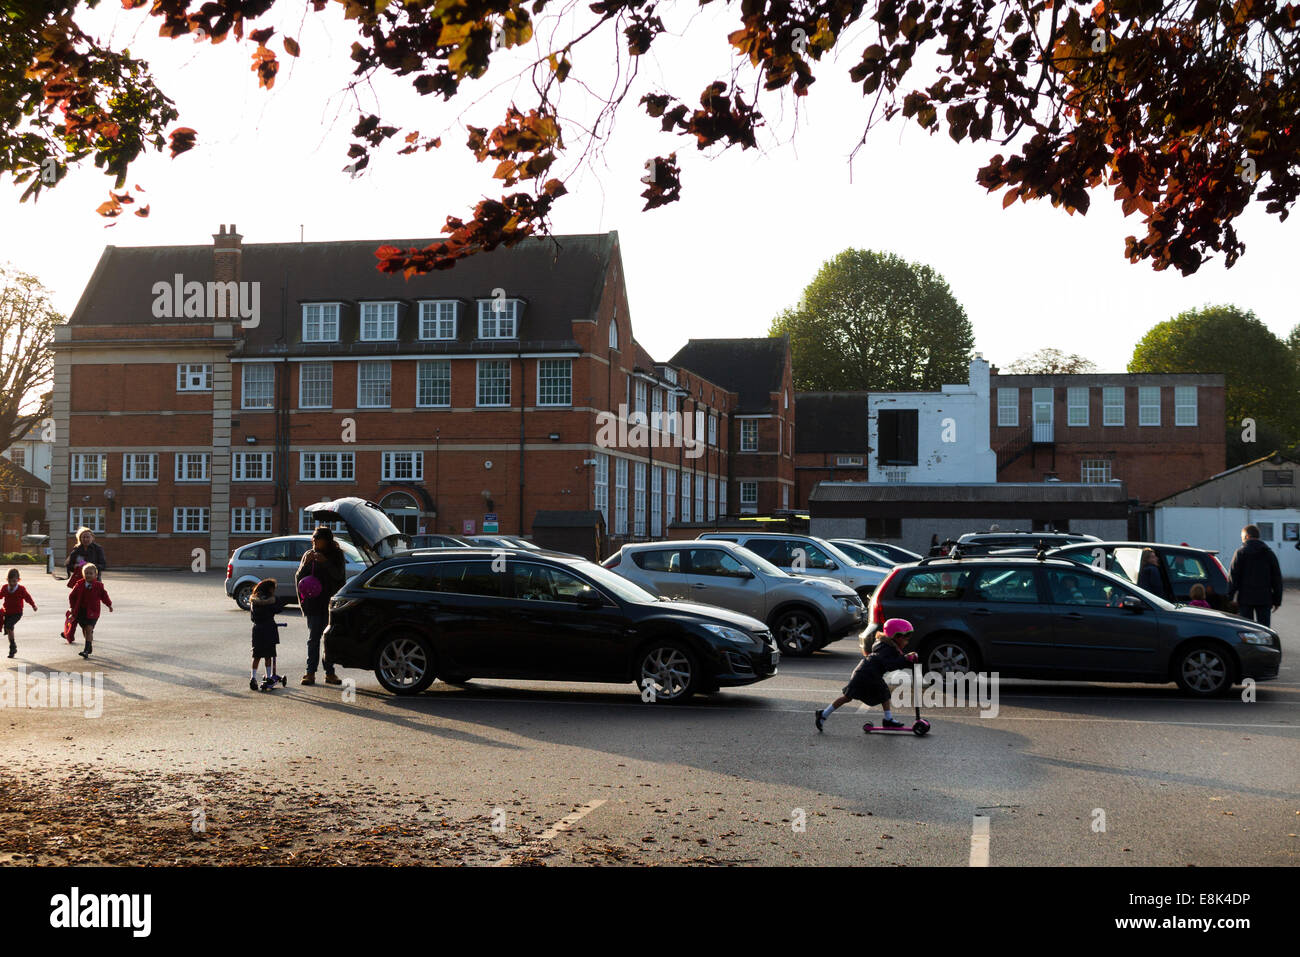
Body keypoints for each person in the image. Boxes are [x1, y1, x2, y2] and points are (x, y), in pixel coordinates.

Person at [815, 618, 918, 731]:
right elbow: (890, 664)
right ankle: (823, 714)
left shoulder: (887, 646)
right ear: (896, 636)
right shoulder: (886, 649)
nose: (907, 642)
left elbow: (894, 661)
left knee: (883, 694)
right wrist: (905, 659)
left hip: (871, 674)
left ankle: (888, 719)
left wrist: (906, 659)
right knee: (848, 696)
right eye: (905, 639)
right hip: (864, 675)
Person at [297, 526, 346, 686]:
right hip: (313, 603)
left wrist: (325, 563)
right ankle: (309, 673)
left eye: (318, 539)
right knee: (313, 639)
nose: (315, 542)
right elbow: (299, 577)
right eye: (313, 539)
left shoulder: (337, 555)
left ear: (327, 541)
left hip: (330, 603)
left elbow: (339, 576)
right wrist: (307, 563)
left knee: (328, 639)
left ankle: (329, 673)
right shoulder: (308, 554)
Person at [1227, 524, 1282, 626]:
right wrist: (1277, 600)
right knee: (1264, 629)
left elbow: (1233, 576)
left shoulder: (1240, 553)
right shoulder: (1269, 553)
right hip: (1265, 598)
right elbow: (1277, 578)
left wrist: (1230, 597)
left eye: (1242, 537)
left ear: (1247, 536)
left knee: (1247, 629)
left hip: (1245, 599)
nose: (1242, 540)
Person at [249, 578, 291, 691]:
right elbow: (278, 609)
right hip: (269, 629)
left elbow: (252, 618)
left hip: (257, 629)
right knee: (269, 655)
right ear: (270, 589)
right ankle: (268, 677)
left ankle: (253, 677)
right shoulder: (272, 601)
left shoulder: (254, 601)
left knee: (256, 655)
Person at [68, 563, 112, 659]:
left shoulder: (99, 586)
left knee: (88, 629)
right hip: (80, 611)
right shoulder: (79, 584)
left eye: (90, 573)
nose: (88, 575)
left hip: (93, 612)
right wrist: (72, 607)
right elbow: (72, 596)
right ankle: (89, 645)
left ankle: (86, 650)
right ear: (83, 575)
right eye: (86, 573)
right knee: (85, 630)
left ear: (95, 575)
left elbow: (104, 596)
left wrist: (109, 604)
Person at [2, 568, 37, 658]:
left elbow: (27, 597)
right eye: (10, 581)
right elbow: (0, 595)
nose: (12, 583)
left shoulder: (21, 589)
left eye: (14, 581)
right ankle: (13, 648)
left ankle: (12, 647)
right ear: (7, 580)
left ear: (18, 580)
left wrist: (33, 605)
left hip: (17, 613)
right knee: (9, 630)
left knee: (9, 626)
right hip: (7, 612)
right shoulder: (5, 588)